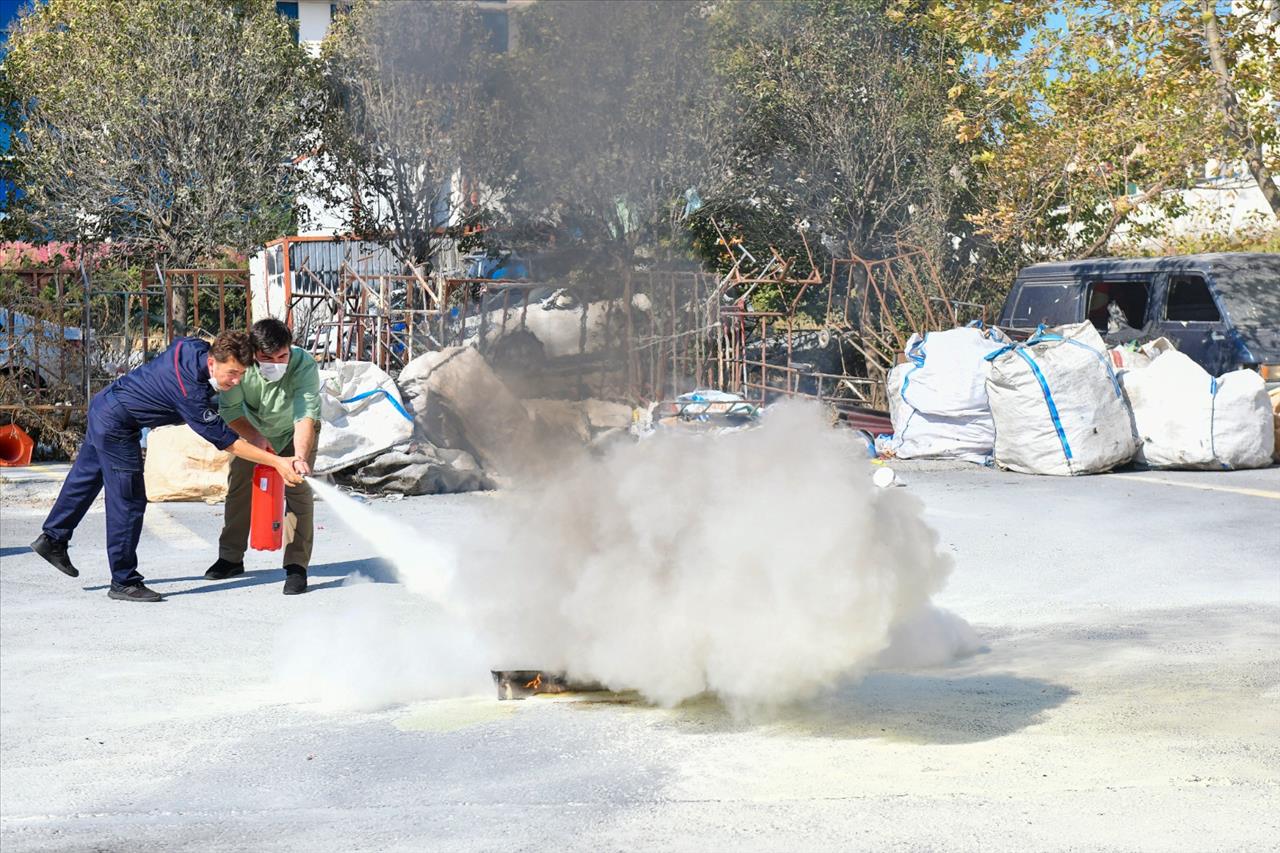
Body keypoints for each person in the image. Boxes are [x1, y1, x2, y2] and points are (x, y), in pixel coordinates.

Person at [30, 332, 305, 602]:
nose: (236, 381)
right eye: (231, 373)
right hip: (117, 425)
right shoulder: (191, 394)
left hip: (105, 405)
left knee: (87, 477)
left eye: (241, 375)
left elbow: (182, 341)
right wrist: (278, 462)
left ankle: (53, 538)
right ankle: (123, 581)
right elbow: (230, 443)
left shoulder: (194, 347)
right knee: (129, 500)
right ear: (212, 363)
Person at [204, 318, 321, 595]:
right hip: (252, 430)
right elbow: (230, 412)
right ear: (254, 354)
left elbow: (305, 415)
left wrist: (299, 457)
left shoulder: (304, 365)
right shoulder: (242, 368)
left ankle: (296, 567)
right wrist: (256, 439)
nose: (276, 363)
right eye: (267, 357)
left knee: (299, 493)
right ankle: (230, 557)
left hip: (294, 433)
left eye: (282, 356)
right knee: (239, 488)